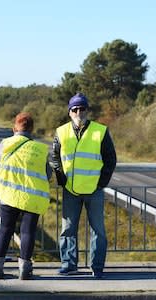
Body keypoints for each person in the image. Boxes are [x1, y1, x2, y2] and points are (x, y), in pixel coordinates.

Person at [51, 93, 116, 279]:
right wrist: (61, 179)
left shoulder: (100, 131)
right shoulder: (61, 131)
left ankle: (97, 267)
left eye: (82, 108)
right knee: (68, 230)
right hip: (70, 190)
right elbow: (55, 157)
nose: (79, 112)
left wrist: (101, 183)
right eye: (75, 109)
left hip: (94, 189)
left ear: (87, 110)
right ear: (70, 112)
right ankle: (69, 265)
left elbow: (110, 159)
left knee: (98, 231)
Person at [0, 112, 51, 280]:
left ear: (14, 128)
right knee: (27, 232)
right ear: (32, 129)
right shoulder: (39, 149)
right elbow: (47, 173)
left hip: (8, 195)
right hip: (32, 197)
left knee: (5, 230)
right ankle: (24, 269)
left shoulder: (5, 144)